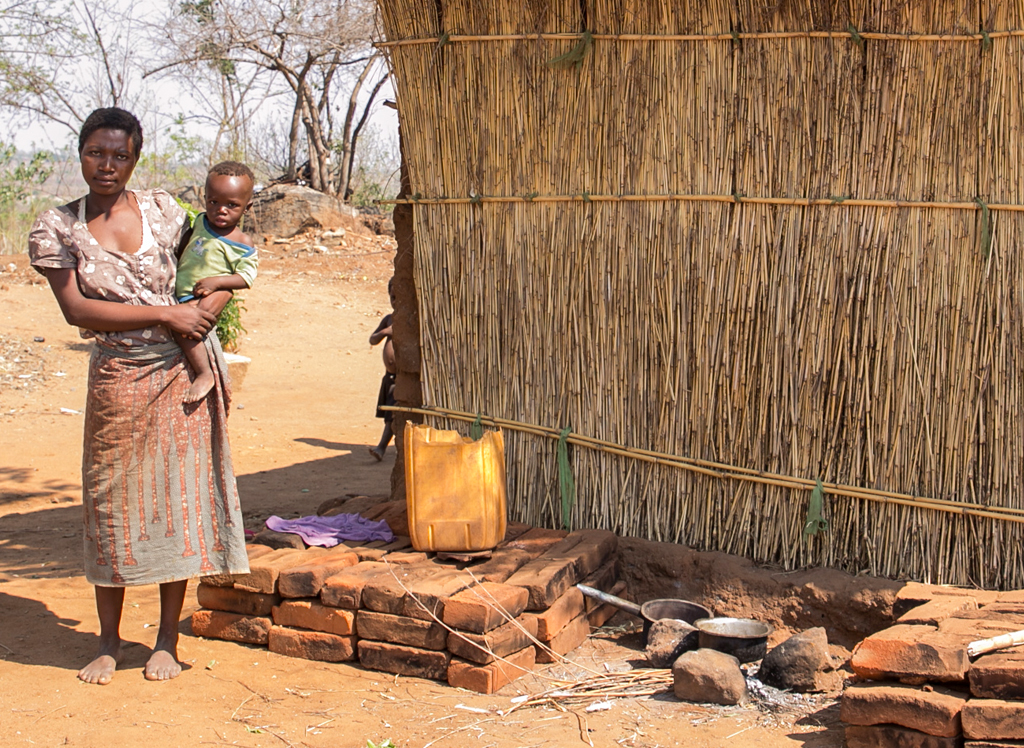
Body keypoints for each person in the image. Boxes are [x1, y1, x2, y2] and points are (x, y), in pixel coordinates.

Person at [27, 107, 249, 685]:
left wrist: (206, 311)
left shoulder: (163, 211)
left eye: (119, 155)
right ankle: (107, 640)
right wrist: (165, 312)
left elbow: (218, 255)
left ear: (135, 158)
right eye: (96, 153)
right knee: (111, 505)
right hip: (117, 378)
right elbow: (76, 309)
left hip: (182, 373)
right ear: (80, 154)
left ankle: (167, 639)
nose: (106, 165)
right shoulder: (56, 226)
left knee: (178, 503)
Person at [173, 161, 258, 403]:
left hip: (201, 297)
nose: (221, 210)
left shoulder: (242, 242)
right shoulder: (200, 222)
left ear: (247, 207)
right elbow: (184, 247)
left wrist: (217, 283)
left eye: (232, 205)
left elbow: (246, 277)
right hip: (181, 291)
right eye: (214, 202)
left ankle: (204, 373)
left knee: (183, 330)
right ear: (205, 199)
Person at [369, 280, 396, 461]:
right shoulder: (388, 320)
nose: (395, 301)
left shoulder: (410, 319)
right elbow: (372, 339)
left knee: (393, 414)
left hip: (402, 378)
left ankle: (381, 447)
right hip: (390, 377)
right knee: (390, 413)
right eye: (392, 297)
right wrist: (385, 332)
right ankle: (381, 447)